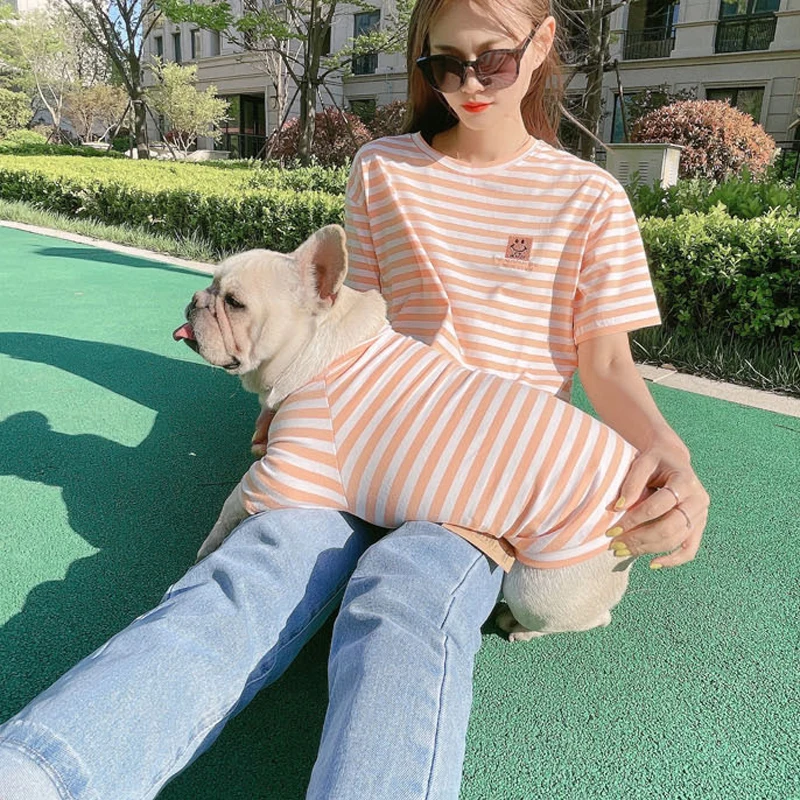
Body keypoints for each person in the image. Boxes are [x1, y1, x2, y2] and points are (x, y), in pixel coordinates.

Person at [0, 0, 710, 798]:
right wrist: (288, 408)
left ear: (542, 43)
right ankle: (39, 773)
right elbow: (341, 316)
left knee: (403, 603)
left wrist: (669, 455)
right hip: (355, 435)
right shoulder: (383, 168)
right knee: (245, 577)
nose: (468, 83)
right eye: (444, 63)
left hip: (478, 483)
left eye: (495, 60)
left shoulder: (590, 197)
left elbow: (607, 364)